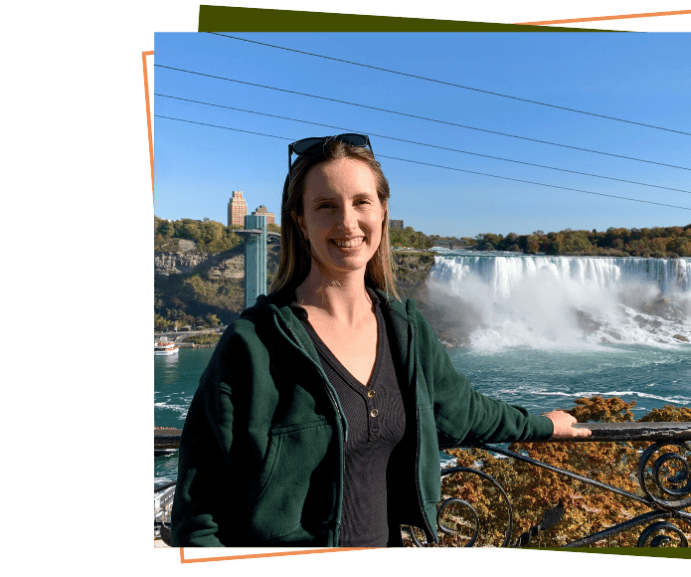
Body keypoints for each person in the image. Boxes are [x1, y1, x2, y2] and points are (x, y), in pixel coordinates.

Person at [170, 133, 590, 548]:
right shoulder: (253, 345)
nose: (347, 223)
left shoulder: (406, 331)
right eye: (325, 206)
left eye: (361, 202)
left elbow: (460, 411)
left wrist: (541, 425)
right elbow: (199, 514)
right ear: (300, 220)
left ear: (383, 210)